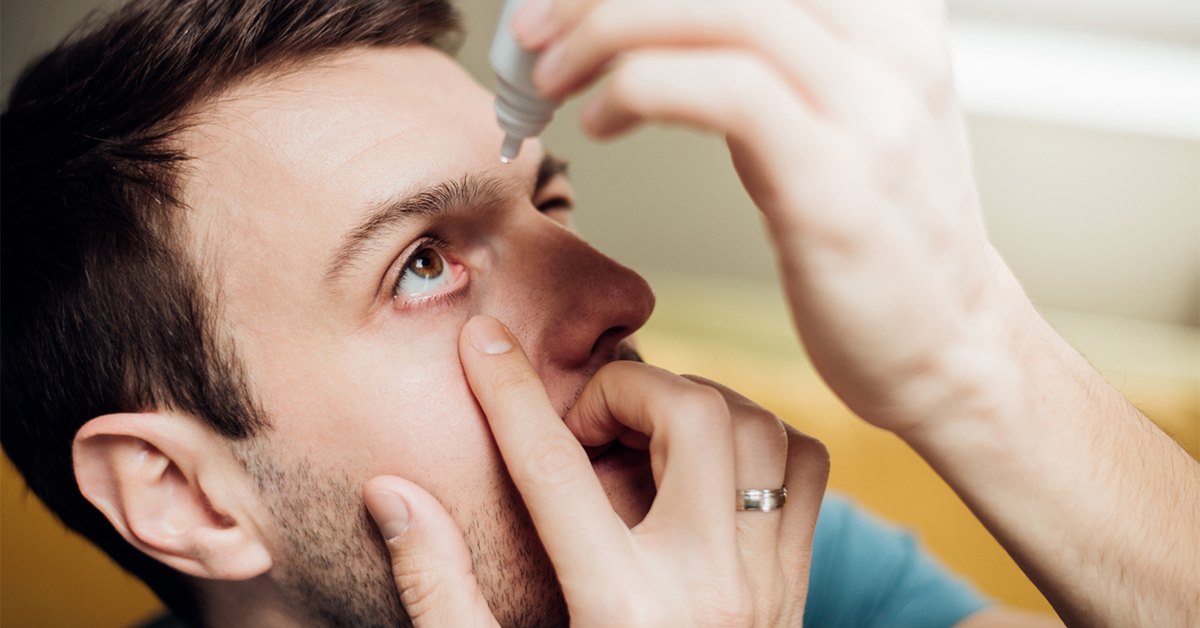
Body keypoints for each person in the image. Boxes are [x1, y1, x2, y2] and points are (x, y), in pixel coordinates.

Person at [1, 3, 1193, 628]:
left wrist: (971, 355)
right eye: (422, 262)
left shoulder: (736, 549)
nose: (621, 296)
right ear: (187, 493)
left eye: (551, 200)